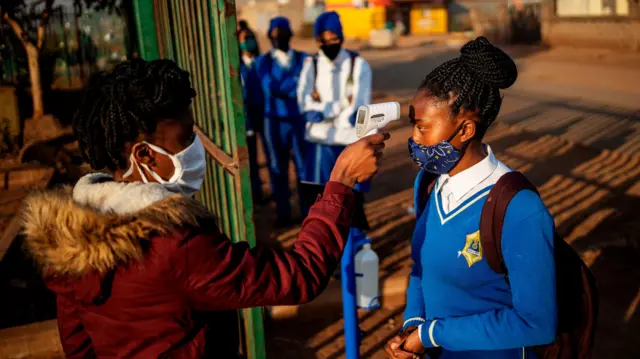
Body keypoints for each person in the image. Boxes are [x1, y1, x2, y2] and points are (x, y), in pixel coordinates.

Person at [20, 59, 389, 359]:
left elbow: (77, 343)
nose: (195, 146)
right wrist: (340, 182)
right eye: (185, 137)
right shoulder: (171, 247)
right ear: (144, 155)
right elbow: (300, 276)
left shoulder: (67, 239)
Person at [385, 37, 557, 359]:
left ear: (465, 130)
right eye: (413, 126)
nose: (413, 139)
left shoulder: (519, 208)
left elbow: (536, 324)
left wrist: (433, 334)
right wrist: (414, 324)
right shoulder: (431, 185)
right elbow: (421, 268)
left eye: (423, 128)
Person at [297, 11, 372, 194]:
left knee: (351, 196)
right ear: (318, 41)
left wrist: (327, 110)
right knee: (320, 194)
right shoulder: (312, 65)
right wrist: (325, 110)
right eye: (325, 40)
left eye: (334, 39)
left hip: (348, 139)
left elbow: (360, 102)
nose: (330, 44)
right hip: (321, 140)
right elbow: (304, 99)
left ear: (341, 37)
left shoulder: (357, 64)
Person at [255, 17, 308, 227]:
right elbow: (270, 88)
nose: (279, 38)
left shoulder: (305, 59)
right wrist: (296, 84)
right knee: (277, 168)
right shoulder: (263, 62)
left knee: (304, 168)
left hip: (299, 122)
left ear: (290, 35)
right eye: (275, 35)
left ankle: (306, 211)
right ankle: (283, 214)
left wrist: (287, 87)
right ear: (269, 37)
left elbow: (307, 87)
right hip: (274, 123)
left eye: (282, 33)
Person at [238, 26, 266, 203]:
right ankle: (255, 193)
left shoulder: (262, 62)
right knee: (251, 158)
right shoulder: (237, 67)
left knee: (272, 156)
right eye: (244, 38)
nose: (248, 42)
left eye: (250, 37)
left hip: (265, 116)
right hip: (247, 117)